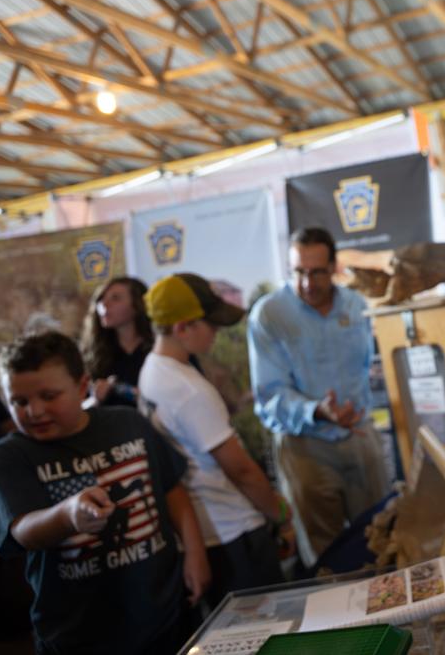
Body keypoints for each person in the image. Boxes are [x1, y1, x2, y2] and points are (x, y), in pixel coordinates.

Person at [0, 331, 210, 655]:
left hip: (164, 613)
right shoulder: (10, 455)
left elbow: (171, 489)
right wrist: (68, 515)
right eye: (19, 402)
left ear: (81, 386)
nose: (34, 411)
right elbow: (21, 531)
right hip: (77, 632)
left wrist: (195, 553)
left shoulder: (128, 422)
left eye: (49, 396)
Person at [139, 273, 292, 607]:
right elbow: (241, 470)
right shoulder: (189, 390)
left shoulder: (152, 370)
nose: (217, 333)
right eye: (210, 324)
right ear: (182, 328)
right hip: (236, 533)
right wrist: (281, 514)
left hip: (207, 532)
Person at [247, 227, 390, 568]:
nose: (307, 283)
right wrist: (317, 411)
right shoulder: (269, 315)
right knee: (325, 555)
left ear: (334, 268)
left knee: (383, 537)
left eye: (316, 272)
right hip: (304, 446)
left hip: (359, 435)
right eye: (298, 272)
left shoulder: (356, 305)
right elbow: (269, 395)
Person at [80, 277, 153, 407]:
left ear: (137, 305)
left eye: (115, 298)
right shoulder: (94, 354)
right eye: (102, 299)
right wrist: (96, 398)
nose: (104, 304)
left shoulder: (158, 349)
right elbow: (78, 408)